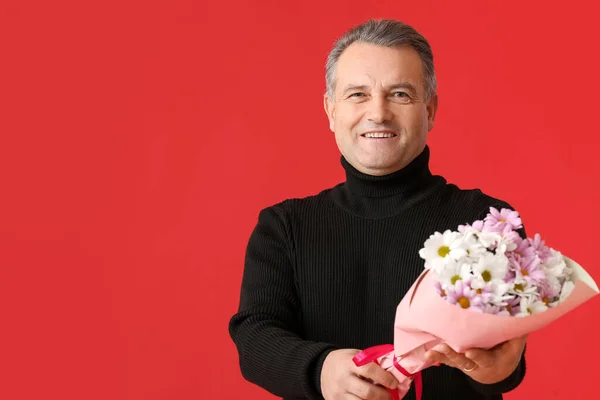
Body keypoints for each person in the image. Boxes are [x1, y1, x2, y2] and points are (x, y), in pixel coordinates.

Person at [229, 19, 528, 400]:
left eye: (400, 94)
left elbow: (505, 359)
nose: (378, 112)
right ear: (331, 110)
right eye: (357, 94)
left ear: (430, 109)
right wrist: (322, 370)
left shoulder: (488, 222)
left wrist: (496, 370)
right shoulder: (284, 226)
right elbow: (255, 336)